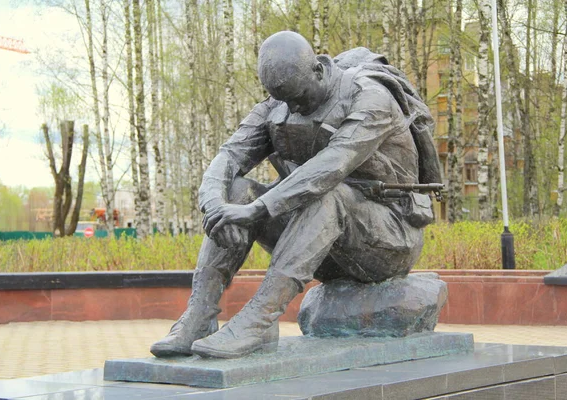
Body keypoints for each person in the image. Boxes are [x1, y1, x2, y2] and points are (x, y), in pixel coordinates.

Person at [151, 30, 439, 359]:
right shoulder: (280, 104)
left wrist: (259, 209)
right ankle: (199, 319)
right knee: (237, 191)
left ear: (318, 69)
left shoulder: (370, 98)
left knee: (328, 194)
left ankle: (257, 321)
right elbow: (229, 157)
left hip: (388, 241)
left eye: (299, 97)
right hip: (320, 246)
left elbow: (333, 165)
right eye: (285, 100)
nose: (294, 107)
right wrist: (215, 204)